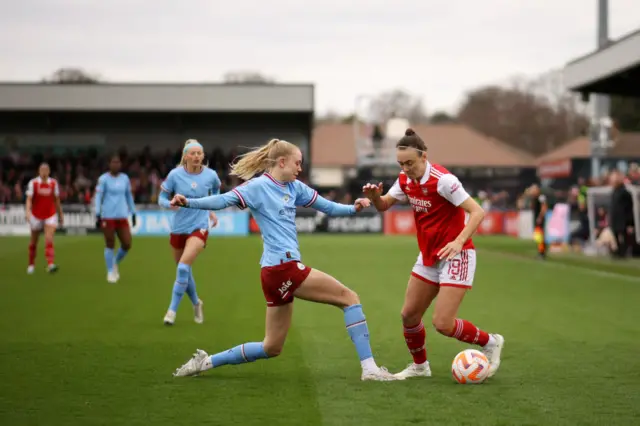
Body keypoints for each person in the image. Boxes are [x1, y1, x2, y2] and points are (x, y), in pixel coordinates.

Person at [171, 138, 397, 381]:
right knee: (349, 298)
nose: (300, 168)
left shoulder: (295, 187)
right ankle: (370, 369)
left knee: (272, 347)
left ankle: (206, 362)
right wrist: (190, 201)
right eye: (297, 163)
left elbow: (328, 207)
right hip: (282, 268)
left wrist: (353, 208)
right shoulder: (257, 187)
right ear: (282, 162)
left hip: (273, 272)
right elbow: (224, 200)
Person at [362, 128, 504, 380]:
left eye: (410, 163)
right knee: (409, 315)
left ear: (424, 157)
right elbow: (384, 205)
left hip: (456, 256)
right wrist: (375, 198)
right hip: (428, 256)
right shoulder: (405, 180)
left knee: (443, 324)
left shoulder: (443, 180)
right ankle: (420, 367)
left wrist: (459, 241)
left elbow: (477, 212)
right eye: (401, 164)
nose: (405, 168)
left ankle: (491, 342)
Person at [158, 140, 220, 326]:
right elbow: (161, 198)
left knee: (183, 268)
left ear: (203, 156)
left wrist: (211, 210)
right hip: (178, 228)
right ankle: (196, 303)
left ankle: (171, 311)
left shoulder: (211, 175)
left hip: (199, 227)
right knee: (184, 270)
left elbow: (216, 193)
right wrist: (169, 203)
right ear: (185, 156)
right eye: (192, 153)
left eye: (199, 153)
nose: (196, 157)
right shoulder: (175, 175)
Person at [95, 155, 137, 283]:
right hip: (108, 216)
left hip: (122, 215)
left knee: (127, 243)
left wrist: (133, 212)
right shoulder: (103, 179)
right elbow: (98, 197)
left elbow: (129, 196)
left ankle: (114, 263)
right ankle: (110, 272)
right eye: (113, 162)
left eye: (118, 162)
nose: (116, 164)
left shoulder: (125, 178)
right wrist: (97, 213)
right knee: (110, 243)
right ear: (109, 164)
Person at [25, 163, 63, 274]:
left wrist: (60, 214)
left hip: (50, 214)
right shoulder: (33, 183)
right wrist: (27, 211)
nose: (44, 172)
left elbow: (56, 200)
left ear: (49, 171)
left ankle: (50, 264)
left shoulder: (53, 183)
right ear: (39, 171)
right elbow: (29, 199)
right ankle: (31, 264)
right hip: (36, 215)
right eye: (42, 169)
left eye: (46, 169)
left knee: (49, 238)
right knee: (33, 241)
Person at [609, 170, 637, 258]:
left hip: (622, 219)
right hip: (615, 218)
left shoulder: (624, 192)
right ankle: (619, 250)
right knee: (616, 234)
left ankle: (623, 252)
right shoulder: (614, 192)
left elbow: (629, 208)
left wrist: (630, 222)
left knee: (623, 235)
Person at [529, 184, 548, 259]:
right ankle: (540, 252)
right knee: (538, 237)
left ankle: (542, 253)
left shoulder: (541, 197)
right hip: (537, 218)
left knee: (540, 237)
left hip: (539, 219)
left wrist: (540, 217)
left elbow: (544, 207)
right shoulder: (535, 198)